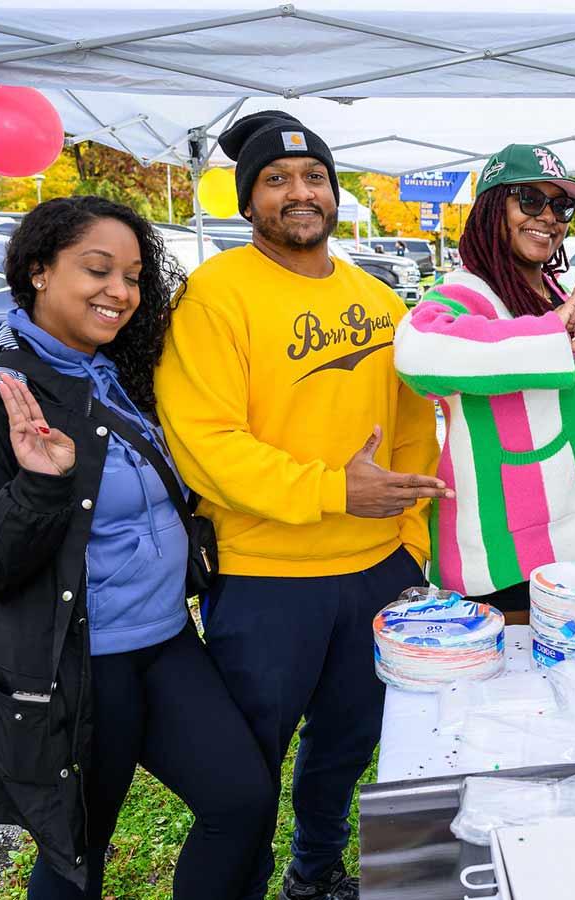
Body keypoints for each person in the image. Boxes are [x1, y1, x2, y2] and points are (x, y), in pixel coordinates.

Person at [0, 197, 275, 899]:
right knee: (77, 855)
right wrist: (40, 487)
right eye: (98, 269)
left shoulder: (121, 375)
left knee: (242, 802)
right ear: (39, 272)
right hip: (77, 669)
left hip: (167, 645)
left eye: (134, 276)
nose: (121, 292)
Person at [154, 111, 446, 900]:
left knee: (347, 747)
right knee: (247, 766)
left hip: (376, 574)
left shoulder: (379, 300)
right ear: (249, 203)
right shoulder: (217, 295)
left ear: (335, 193)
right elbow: (205, 443)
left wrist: (410, 544)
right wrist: (332, 488)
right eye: (276, 180)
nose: (298, 191)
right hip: (263, 578)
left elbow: (418, 430)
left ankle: (315, 874)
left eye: (313, 176)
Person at [393, 144, 575, 618]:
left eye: (561, 205)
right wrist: (548, 331)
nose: (549, 216)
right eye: (529, 200)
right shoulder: (464, 290)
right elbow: (416, 352)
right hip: (505, 557)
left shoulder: (551, 287)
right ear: (495, 207)